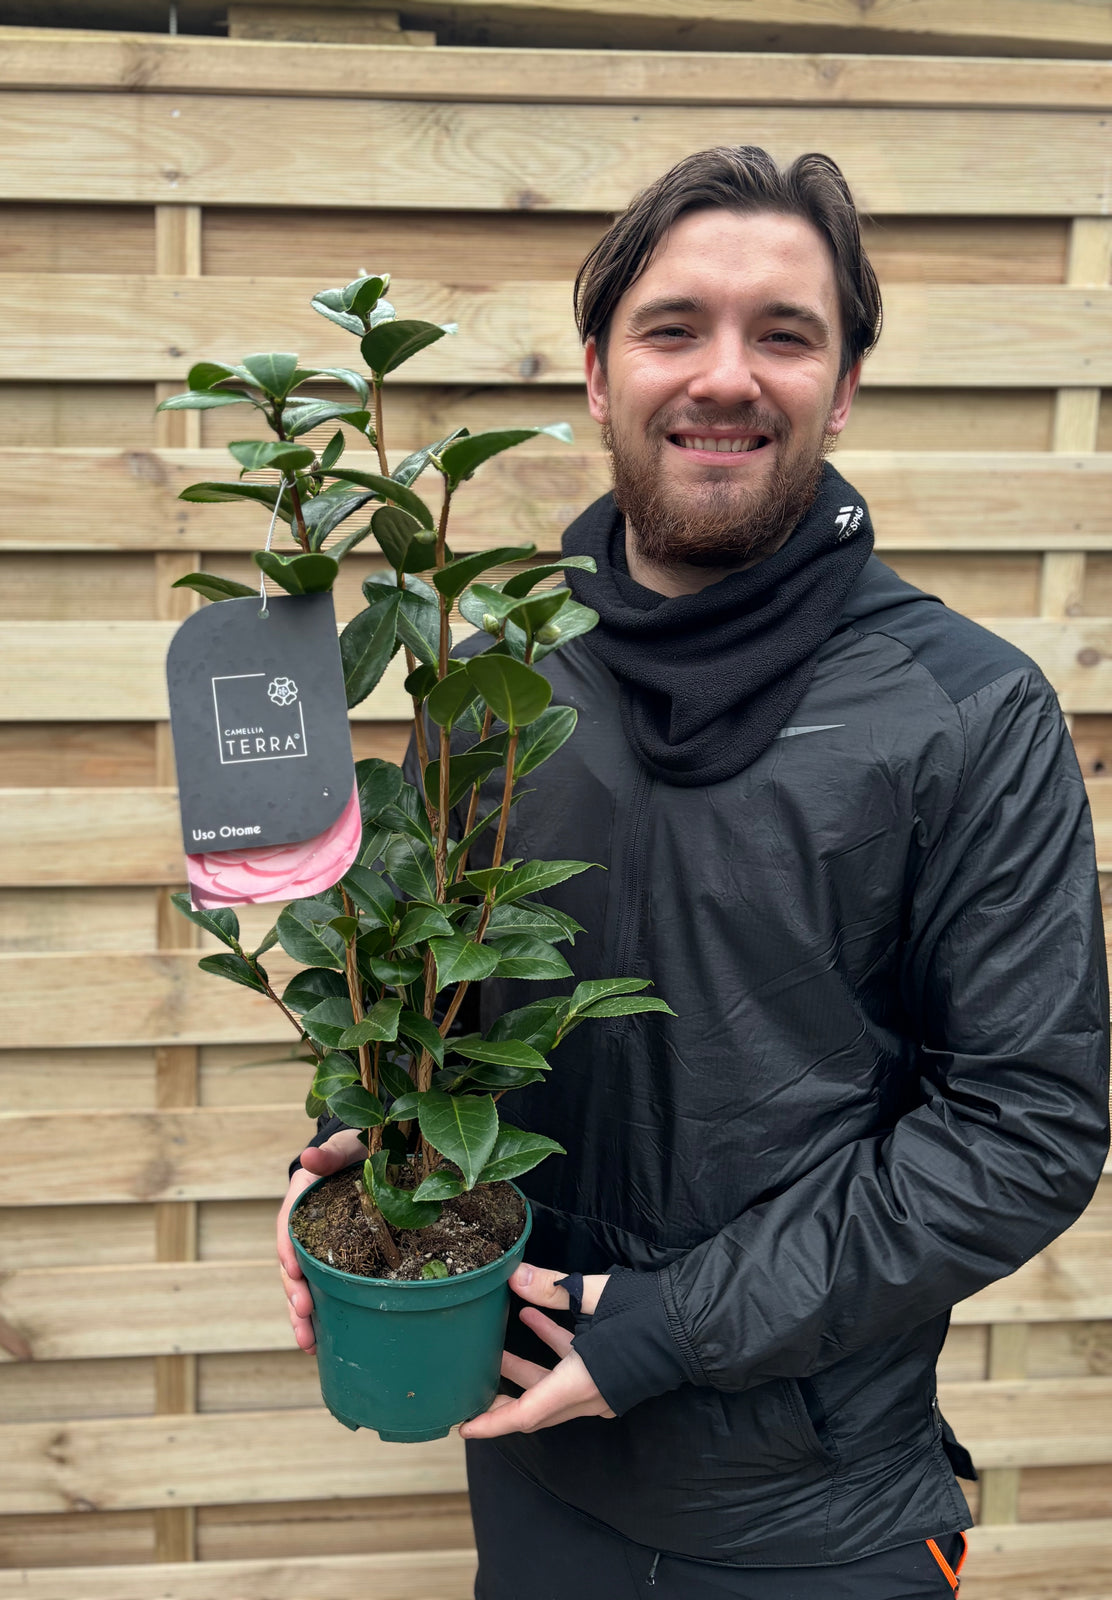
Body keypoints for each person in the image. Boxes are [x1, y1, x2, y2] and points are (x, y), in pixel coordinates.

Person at [277, 146, 1110, 1597]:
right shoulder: (496, 684)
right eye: (674, 328)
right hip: (529, 1466)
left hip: (815, 1522)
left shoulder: (967, 713)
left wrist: (667, 1328)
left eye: (784, 334)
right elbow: (422, 1005)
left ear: (842, 387)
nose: (726, 375)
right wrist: (368, 1166)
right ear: (600, 373)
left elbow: (1025, 1127)